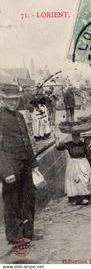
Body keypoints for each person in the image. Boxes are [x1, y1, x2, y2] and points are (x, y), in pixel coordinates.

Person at [0, 84, 38, 249]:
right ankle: (15, 236)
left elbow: (27, 140)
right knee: (12, 201)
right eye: (9, 100)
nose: (13, 102)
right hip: (10, 166)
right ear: (2, 99)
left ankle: (26, 232)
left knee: (28, 198)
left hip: (25, 163)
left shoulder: (20, 116)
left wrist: (34, 163)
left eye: (15, 99)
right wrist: (6, 170)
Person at [56, 132, 91, 205]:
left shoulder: (84, 145)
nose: (75, 137)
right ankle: (75, 198)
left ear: (79, 136)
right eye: (74, 136)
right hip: (73, 163)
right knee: (73, 181)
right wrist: (57, 139)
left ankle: (84, 198)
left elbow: (89, 153)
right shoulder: (69, 144)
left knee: (84, 180)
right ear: (72, 136)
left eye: (77, 136)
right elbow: (59, 147)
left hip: (82, 163)